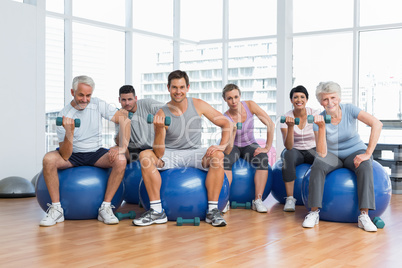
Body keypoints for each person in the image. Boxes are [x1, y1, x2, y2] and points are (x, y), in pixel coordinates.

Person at [133, 70, 232, 227]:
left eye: (181, 87)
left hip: (194, 152)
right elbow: (159, 153)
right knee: (145, 156)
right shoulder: (162, 113)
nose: (178, 91)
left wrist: (221, 145)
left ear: (187, 87)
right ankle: (157, 211)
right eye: (174, 87)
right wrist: (159, 129)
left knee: (218, 156)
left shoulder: (198, 105)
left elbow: (226, 123)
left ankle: (212, 211)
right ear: (168, 88)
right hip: (171, 154)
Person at [40, 75, 131, 227]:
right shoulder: (64, 114)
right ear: (72, 92)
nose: (84, 99)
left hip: (95, 152)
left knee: (121, 160)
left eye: (88, 95)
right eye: (81, 95)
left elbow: (125, 120)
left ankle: (105, 207)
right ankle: (56, 209)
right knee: (48, 160)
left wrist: (122, 147)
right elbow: (65, 154)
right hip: (72, 154)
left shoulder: (98, 104)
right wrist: (69, 132)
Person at [302, 81, 383, 232]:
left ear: (338, 98)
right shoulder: (318, 120)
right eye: (325, 99)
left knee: (365, 166)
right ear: (321, 102)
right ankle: (313, 212)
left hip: (355, 150)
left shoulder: (349, 109)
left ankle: (364, 216)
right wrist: (321, 128)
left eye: (333, 97)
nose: (330, 102)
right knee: (318, 165)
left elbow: (377, 124)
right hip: (332, 154)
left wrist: (367, 153)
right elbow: (321, 154)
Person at [222, 83, 275, 213]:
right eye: (229, 98)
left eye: (235, 97)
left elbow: (270, 124)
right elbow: (228, 147)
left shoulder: (250, 105)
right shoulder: (225, 117)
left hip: (249, 144)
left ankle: (257, 200)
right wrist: (233, 130)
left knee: (263, 159)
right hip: (233, 145)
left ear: (240, 96)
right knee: (226, 161)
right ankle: (224, 201)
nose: (233, 101)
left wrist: (267, 147)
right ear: (225, 100)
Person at [280, 85, 319, 212]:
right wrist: (290, 127)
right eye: (295, 97)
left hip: (312, 148)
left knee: (322, 160)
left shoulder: (315, 114)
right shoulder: (286, 118)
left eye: (302, 97)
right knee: (288, 155)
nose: (299, 100)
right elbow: (289, 146)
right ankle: (290, 199)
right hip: (295, 150)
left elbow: (321, 138)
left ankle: (317, 198)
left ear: (306, 100)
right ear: (291, 100)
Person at [115, 85, 163, 162]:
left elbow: (167, 109)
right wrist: (123, 122)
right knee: (116, 150)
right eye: (124, 100)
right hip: (136, 149)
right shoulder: (119, 114)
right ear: (119, 100)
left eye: (130, 99)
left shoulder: (147, 103)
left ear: (135, 98)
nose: (127, 103)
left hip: (154, 148)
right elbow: (119, 142)